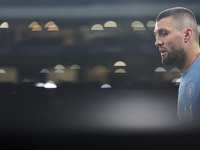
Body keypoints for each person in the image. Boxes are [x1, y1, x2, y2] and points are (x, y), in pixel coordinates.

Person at [153, 7, 200, 125]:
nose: (157, 42)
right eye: (156, 35)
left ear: (187, 35)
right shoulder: (186, 77)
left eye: (164, 33)